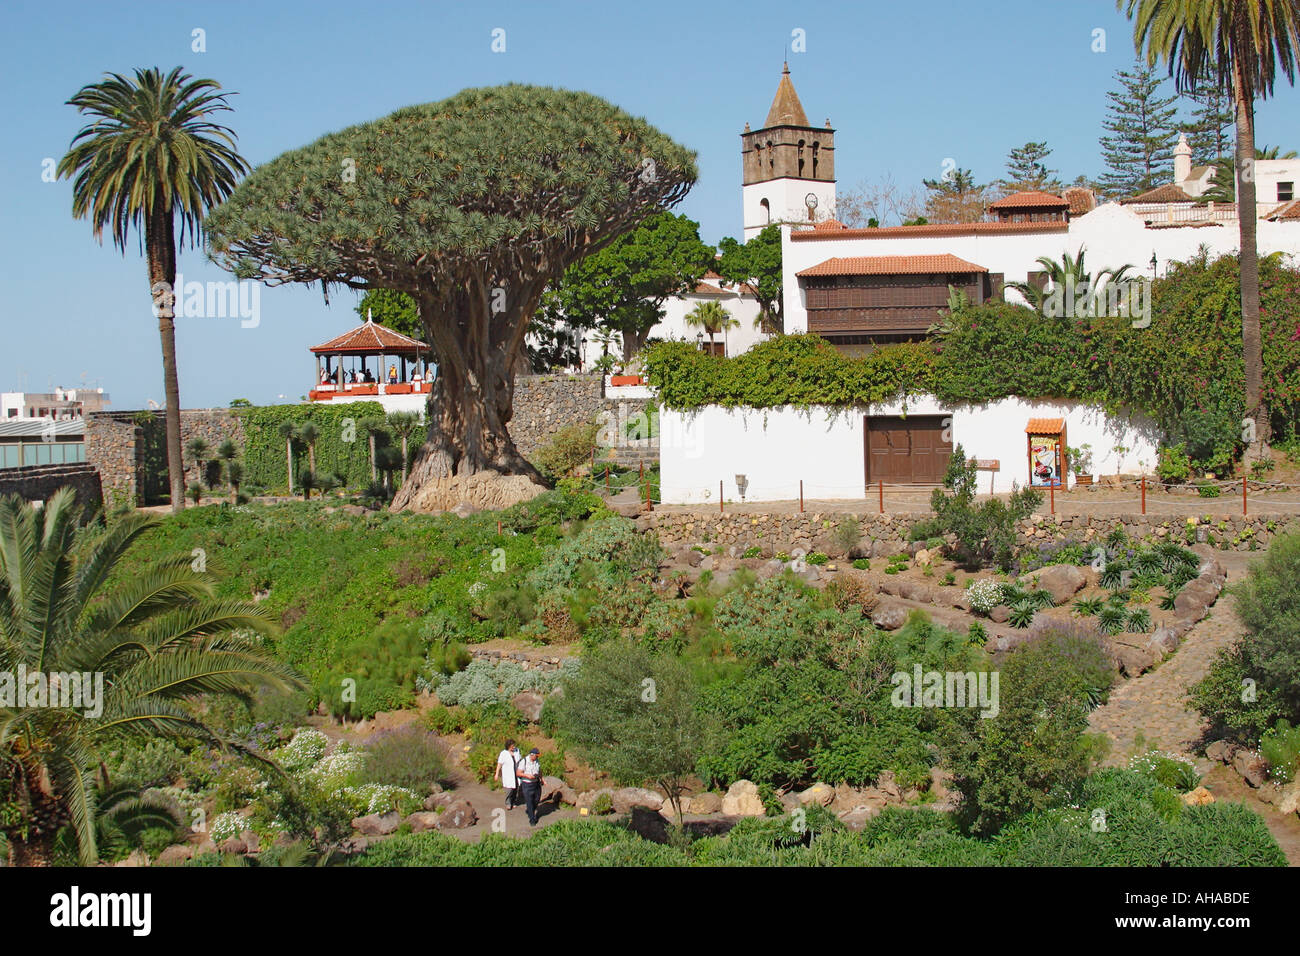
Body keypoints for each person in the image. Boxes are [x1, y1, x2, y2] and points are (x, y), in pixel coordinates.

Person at [518, 747, 543, 825]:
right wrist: (527, 776)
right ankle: (532, 819)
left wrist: (542, 779)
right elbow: (518, 773)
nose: (537, 757)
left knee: (537, 799)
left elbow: (540, 770)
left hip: (536, 783)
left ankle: (530, 810)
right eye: (536, 755)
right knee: (529, 801)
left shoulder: (537, 761)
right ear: (532, 755)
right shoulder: (524, 761)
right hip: (527, 784)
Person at [494, 739, 520, 810]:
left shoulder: (517, 751)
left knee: (515, 789)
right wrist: (496, 773)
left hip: (516, 773)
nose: (514, 747)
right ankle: (508, 803)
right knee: (509, 790)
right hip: (508, 774)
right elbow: (499, 764)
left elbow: (519, 761)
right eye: (512, 746)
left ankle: (513, 802)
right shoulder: (503, 753)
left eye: (514, 746)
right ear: (508, 746)